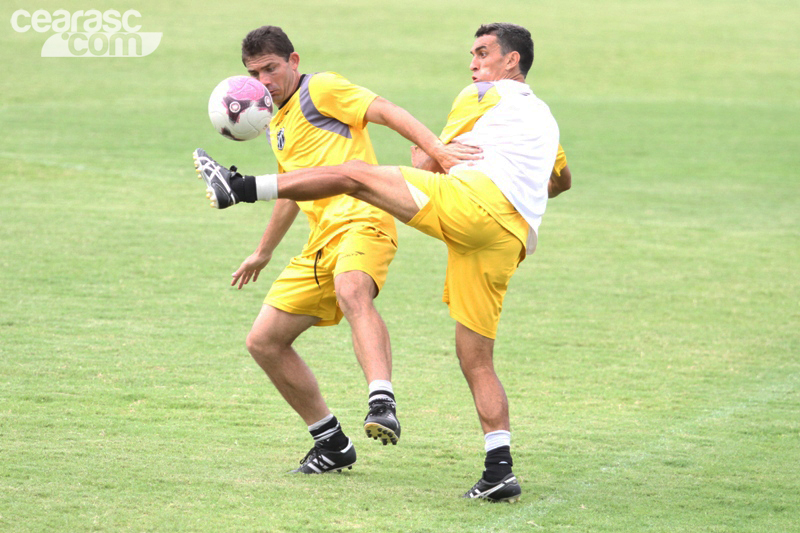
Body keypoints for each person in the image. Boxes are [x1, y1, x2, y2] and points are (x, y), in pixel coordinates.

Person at [194, 22, 570, 501]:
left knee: (355, 176)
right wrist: (264, 251)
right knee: (476, 359)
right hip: (507, 239)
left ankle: (240, 187)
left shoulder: (480, 95)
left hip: (467, 207)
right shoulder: (546, 120)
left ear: (511, 60)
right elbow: (561, 180)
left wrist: (433, 155)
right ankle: (498, 470)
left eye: (482, 54)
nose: (473, 64)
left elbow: (431, 160)